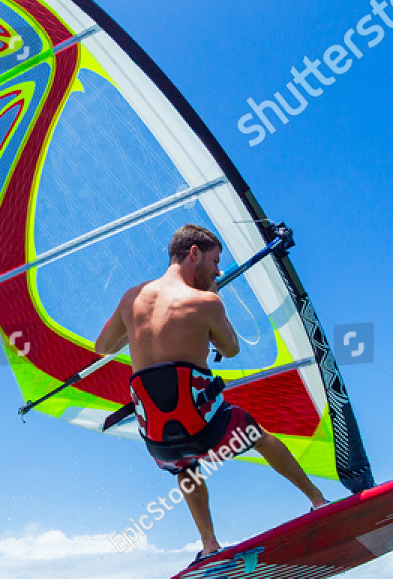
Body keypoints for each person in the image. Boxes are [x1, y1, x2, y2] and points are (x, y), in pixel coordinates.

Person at [94, 224, 326, 557]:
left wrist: (135, 330)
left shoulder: (131, 298)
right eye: (215, 261)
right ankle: (318, 500)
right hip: (205, 430)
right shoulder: (206, 302)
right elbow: (230, 349)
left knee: (185, 465)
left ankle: (209, 544)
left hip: (158, 442)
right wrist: (213, 297)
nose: (217, 271)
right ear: (194, 253)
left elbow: (103, 346)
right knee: (257, 435)